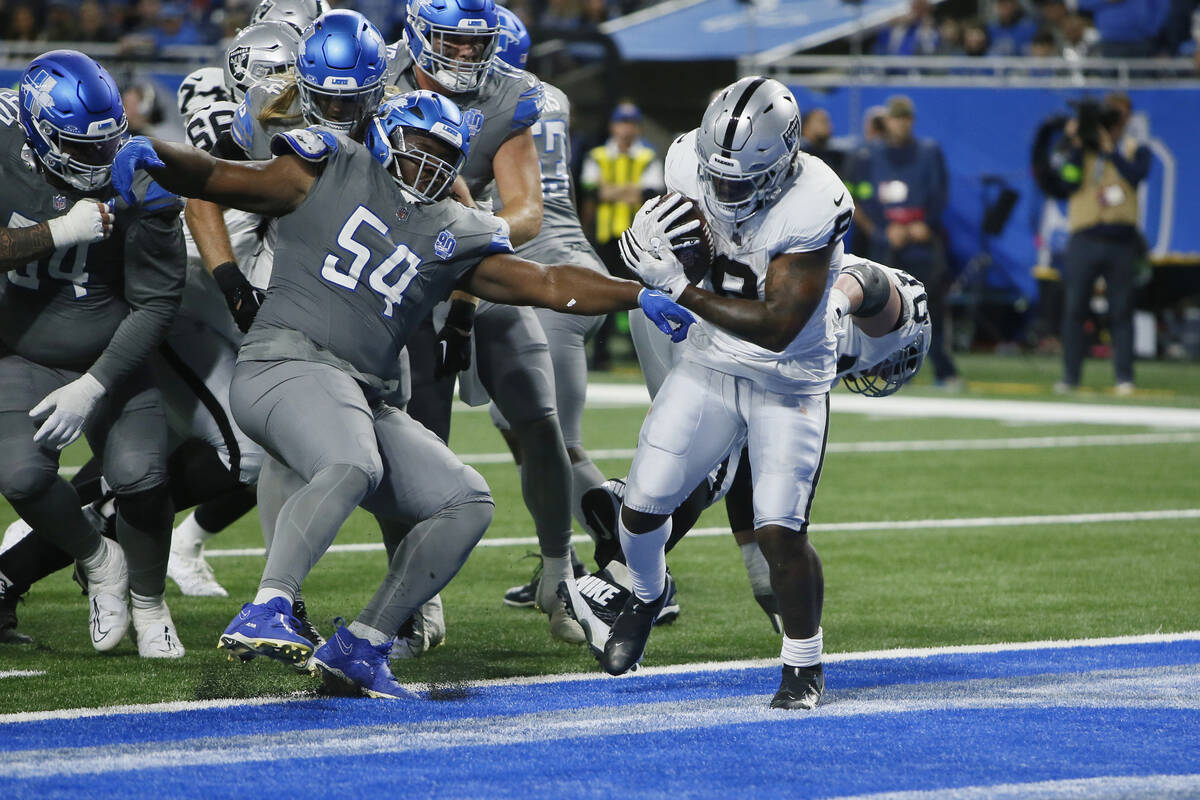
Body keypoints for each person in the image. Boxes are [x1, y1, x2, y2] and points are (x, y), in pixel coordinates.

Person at [111, 89, 694, 697]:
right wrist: (155, 153)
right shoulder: (330, 162)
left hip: (363, 392)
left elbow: (546, 282)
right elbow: (219, 176)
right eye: (419, 148)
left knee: (465, 501)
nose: (428, 164)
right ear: (388, 136)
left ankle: (363, 644)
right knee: (351, 460)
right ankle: (270, 605)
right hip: (285, 358)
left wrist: (635, 293)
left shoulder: (454, 226)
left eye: (444, 154)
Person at [593, 76, 853, 710]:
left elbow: (777, 325)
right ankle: (647, 595)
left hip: (785, 380)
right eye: (717, 175)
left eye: (739, 182)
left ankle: (803, 665)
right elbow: (678, 235)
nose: (723, 190)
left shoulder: (814, 199)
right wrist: (655, 248)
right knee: (642, 505)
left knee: (778, 530)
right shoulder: (687, 159)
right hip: (708, 362)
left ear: (782, 162)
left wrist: (679, 289)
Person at [565, 257, 932, 642]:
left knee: (720, 453)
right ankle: (612, 582)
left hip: (689, 314)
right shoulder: (893, 313)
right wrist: (838, 302)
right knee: (706, 464)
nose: (882, 373)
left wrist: (763, 577)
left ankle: (636, 554)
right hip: (705, 324)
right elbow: (870, 281)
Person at [393, 0, 589, 644]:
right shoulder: (380, 81)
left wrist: (468, 234)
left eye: (478, 45)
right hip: (403, 277)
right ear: (420, 38)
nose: (470, 57)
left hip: (477, 264)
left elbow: (527, 212)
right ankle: (421, 595)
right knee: (422, 441)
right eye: (453, 43)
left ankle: (559, 573)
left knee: (539, 417)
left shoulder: (508, 96)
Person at [0, 50, 187, 658]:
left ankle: (151, 599)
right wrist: (56, 231)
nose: (98, 158)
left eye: (105, 141)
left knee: (141, 475)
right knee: (22, 479)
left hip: (114, 354)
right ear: (34, 133)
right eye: (77, 145)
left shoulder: (142, 173)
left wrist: (97, 382)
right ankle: (97, 559)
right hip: (23, 351)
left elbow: (157, 304)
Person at [489, 8, 608, 610]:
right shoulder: (551, 94)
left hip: (546, 279)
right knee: (523, 430)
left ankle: (635, 567)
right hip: (567, 264)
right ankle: (564, 564)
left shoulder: (496, 101)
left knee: (553, 438)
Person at [847, 94, 958, 387]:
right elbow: (853, 200)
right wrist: (881, 232)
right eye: (896, 118)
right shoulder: (867, 156)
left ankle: (943, 369)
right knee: (885, 310)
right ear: (887, 121)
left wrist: (923, 226)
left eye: (905, 118)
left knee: (929, 306)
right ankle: (888, 369)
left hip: (921, 244)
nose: (901, 124)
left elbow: (940, 195)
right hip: (886, 246)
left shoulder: (929, 152)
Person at [1046, 93, 1150, 395]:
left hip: (1121, 239)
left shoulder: (1134, 148)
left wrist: (1110, 150)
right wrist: (1077, 145)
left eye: (1116, 116)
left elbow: (1137, 176)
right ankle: (1070, 376)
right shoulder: (1083, 150)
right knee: (1075, 308)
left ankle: (1124, 377)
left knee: (1121, 310)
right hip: (1085, 237)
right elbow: (1067, 181)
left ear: (1126, 118)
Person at [579, 101, 665, 369]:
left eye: (631, 124)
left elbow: (650, 194)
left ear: (637, 127)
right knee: (604, 292)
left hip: (637, 238)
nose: (626, 129)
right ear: (613, 126)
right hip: (606, 236)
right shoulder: (598, 155)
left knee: (639, 293)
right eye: (621, 123)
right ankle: (600, 354)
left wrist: (611, 191)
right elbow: (592, 193)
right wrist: (630, 191)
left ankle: (637, 353)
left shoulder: (647, 157)